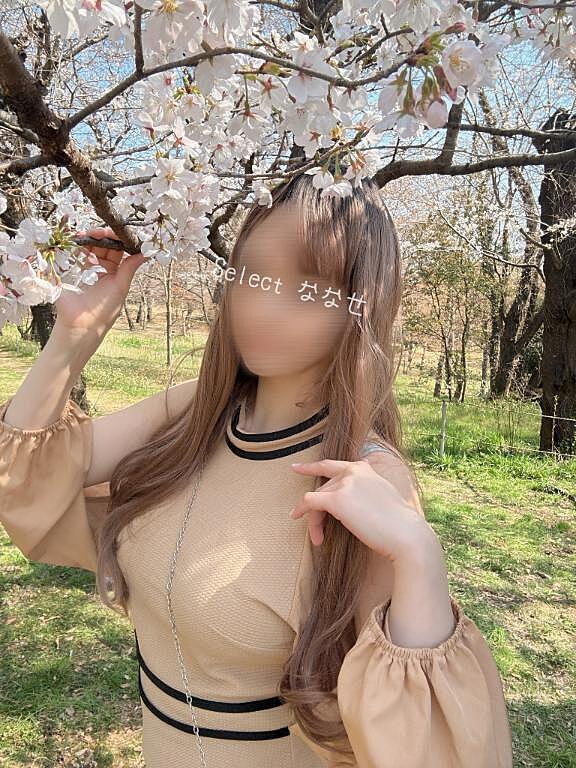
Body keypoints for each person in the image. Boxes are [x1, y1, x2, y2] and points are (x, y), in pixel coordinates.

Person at [0, 173, 514, 768]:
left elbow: (421, 745)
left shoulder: (364, 481)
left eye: (311, 287)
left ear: (361, 305)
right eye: (253, 273)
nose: (265, 305)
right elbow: (25, 474)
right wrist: (73, 336)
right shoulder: (194, 412)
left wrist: (419, 554)